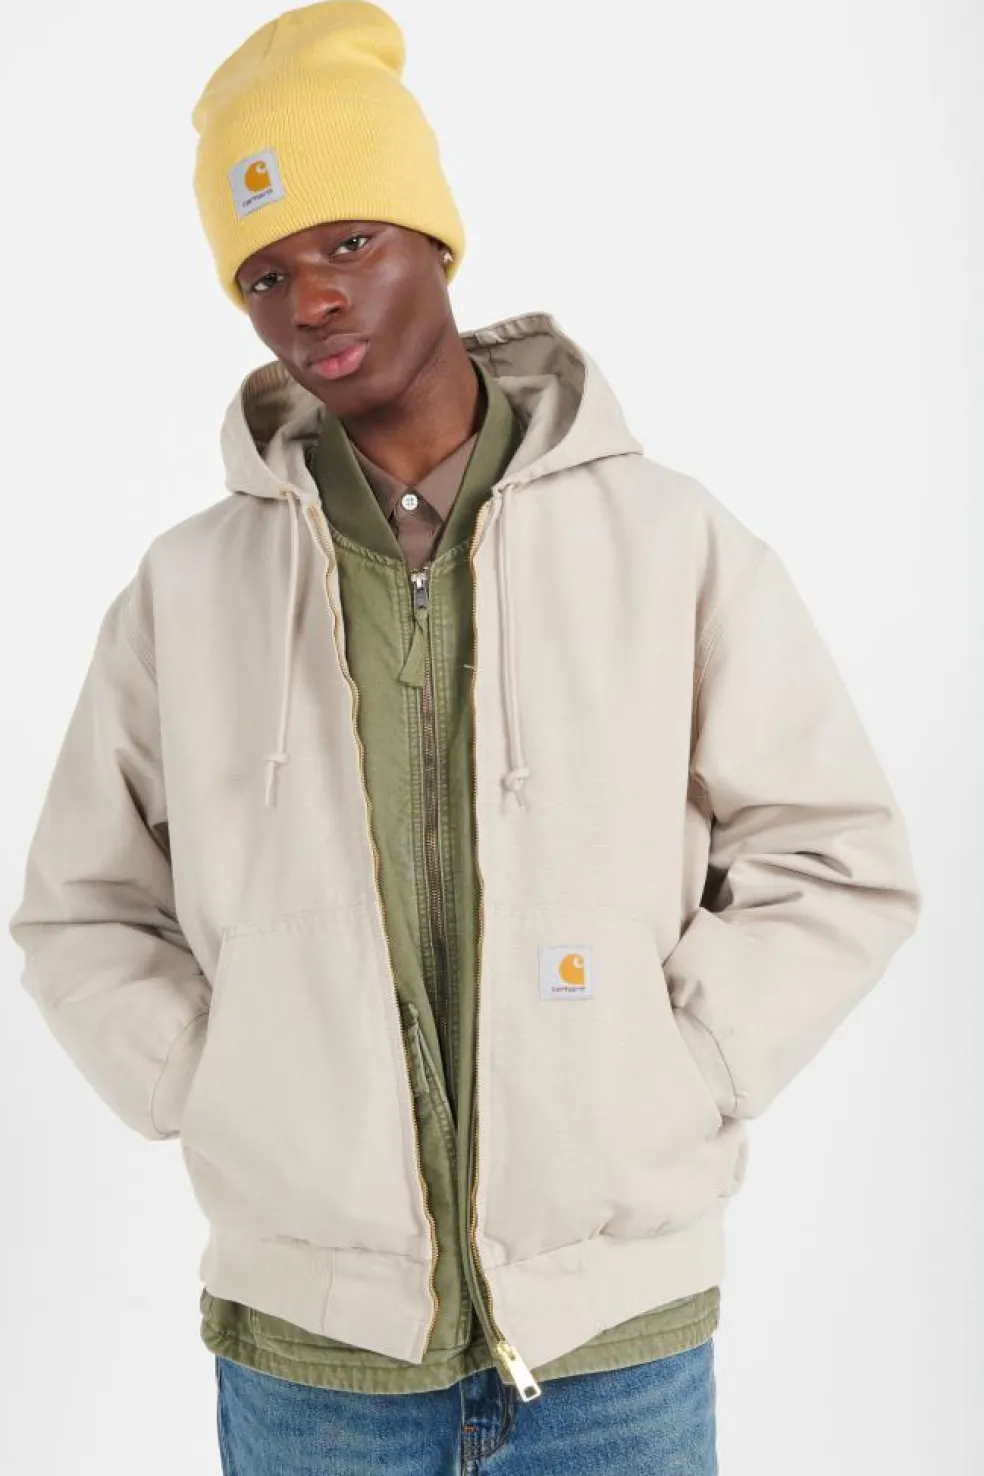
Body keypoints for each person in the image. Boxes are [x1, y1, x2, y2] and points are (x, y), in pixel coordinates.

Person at [8, 2, 922, 1472]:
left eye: (349, 240)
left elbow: (835, 857)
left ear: (435, 239)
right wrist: (206, 1077)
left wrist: (682, 1065)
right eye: (265, 274)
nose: (311, 299)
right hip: (314, 1365)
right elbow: (81, 905)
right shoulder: (188, 591)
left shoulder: (668, 541)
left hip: (614, 1350)